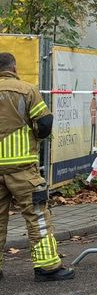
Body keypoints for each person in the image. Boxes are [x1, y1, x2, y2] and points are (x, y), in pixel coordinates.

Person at [0, 52, 75, 282]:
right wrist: (35, 137)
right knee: (37, 216)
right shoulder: (27, 90)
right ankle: (47, 267)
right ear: (14, 67)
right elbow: (44, 123)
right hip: (22, 169)